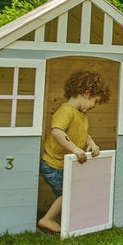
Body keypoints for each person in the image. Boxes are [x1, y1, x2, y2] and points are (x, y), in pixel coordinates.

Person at [37, 69, 111, 233]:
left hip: (65, 164)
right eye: (95, 101)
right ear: (86, 93)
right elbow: (57, 131)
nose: (94, 106)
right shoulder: (66, 110)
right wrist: (75, 149)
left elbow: (82, 133)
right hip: (53, 165)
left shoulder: (81, 114)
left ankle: (64, 219)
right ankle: (47, 219)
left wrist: (90, 143)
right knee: (70, 192)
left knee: (72, 192)